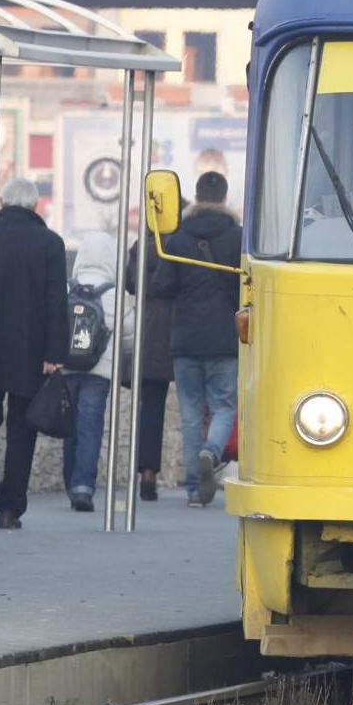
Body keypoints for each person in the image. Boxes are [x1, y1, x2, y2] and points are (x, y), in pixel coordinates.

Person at [0, 177, 69, 530]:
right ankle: (10, 510)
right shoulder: (50, 244)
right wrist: (55, 353)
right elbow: (57, 302)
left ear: (2, 201)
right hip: (30, 349)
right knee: (23, 430)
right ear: (36, 206)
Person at [156, 170, 242, 506]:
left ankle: (194, 489)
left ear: (196, 194)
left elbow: (162, 287)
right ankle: (211, 451)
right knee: (223, 407)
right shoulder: (237, 238)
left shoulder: (178, 238)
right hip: (224, 338)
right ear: (223, 196)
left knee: (191, 413)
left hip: (186, 340)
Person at [62, 232, 117, 512]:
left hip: (68, 367)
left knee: (70, 424)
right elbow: (128, 332)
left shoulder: (69, 288)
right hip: (100, 369)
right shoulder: (112, 293)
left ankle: (70, 480)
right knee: (91, 425)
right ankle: (84, 485)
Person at [123, 233, 175, 503]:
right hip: (177, 332)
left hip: (147, 334)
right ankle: (199, 474)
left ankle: (146, 472)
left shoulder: (139, 248)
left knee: (149, 409)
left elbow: (129, 285)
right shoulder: (178, 246)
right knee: (199, 404)